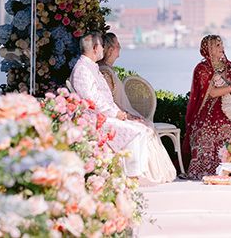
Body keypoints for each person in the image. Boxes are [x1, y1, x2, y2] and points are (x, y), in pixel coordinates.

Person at [69, 32, 173, 185]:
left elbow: (104, 98)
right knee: (137, 132)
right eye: (102, 47)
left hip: (104, 115)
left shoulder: (91, 67)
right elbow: (92, 101)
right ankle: (131, 175)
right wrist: (116, 113)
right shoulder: (82, 69)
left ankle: (134, 175)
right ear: (95, 48)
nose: (103, 50)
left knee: (142, 129)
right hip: (96, 119)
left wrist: (120, 113)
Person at [183, 35, 231, 180]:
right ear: (208, 50)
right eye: (217, 46)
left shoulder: (229, 65)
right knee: (208, 131)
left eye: (221, 44)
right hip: (209, 108)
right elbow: (212, 92)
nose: (222, 48)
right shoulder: (202, 68)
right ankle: (209, 168)